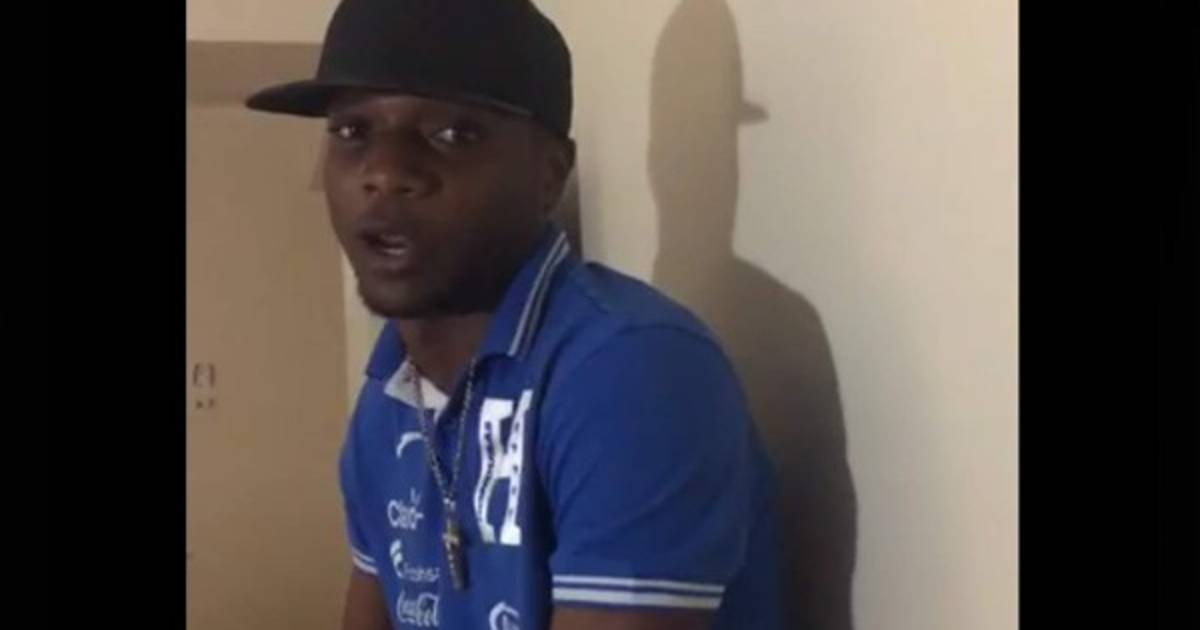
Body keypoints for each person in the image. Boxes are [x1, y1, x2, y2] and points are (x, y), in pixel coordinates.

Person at [245, 1, 782, 628]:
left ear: (549, 175)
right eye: (351, 131)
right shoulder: (388, 396)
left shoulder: (630, 368)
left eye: (452, 135)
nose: (385, 172)